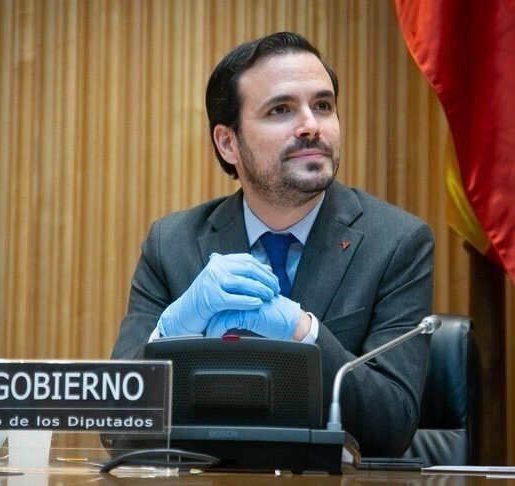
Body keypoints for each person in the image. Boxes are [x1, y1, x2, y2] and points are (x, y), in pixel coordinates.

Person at [111, 32, 434, 457]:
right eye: (281, 110)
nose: (311, 126)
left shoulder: (397, 242)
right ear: (228, 143)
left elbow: (392, 427)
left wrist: (304, 332)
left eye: (323, 105)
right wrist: (173, 331)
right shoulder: (171, 245)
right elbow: (117, 427)